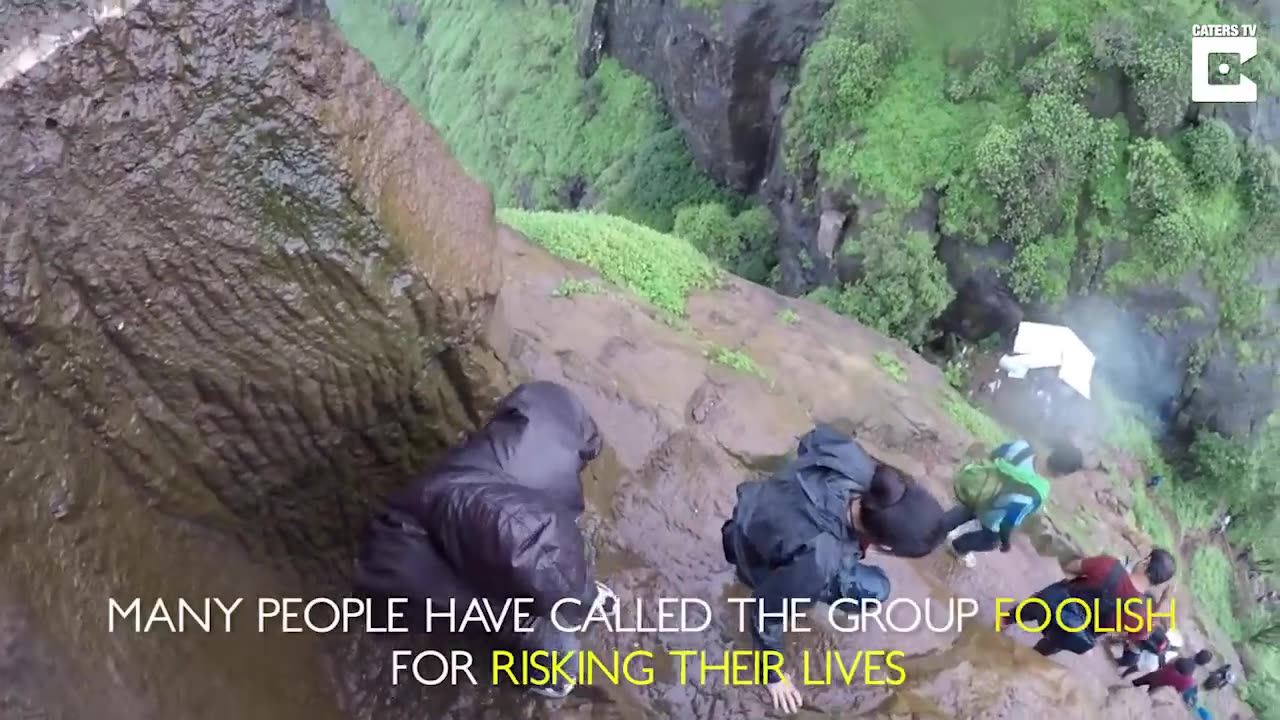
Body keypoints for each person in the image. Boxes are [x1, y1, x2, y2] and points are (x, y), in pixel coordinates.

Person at [352, 381, 615, 700]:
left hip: (479, 491)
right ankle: (544, 664)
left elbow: (543, 404)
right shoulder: (398, 560)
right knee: (539, 636)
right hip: (414, 563)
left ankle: (571, 598)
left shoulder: (546, 436)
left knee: (552, 572)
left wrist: (577, 591)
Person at [721, 424, 946, 715]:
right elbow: (765, 610)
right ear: (885, 546)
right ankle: (795, 586)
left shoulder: (852, 459)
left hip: (752, 509)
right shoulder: (820, 559)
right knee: (877, 588)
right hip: (747, 551)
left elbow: (813, 437)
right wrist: (772, 675)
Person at [940, 438, 1083, 568]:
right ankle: (958, 547)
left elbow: (994, 455)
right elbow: (1009, 521)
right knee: (991, 541)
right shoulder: (1036, 492)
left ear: (1052, 450)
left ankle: (940, 527)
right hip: (991, 514)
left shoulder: (1022, 447)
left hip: (979, 488)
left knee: (965, 510)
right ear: (1061, 474)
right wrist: (1005, 542)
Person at [1027, 549, 1176, 656]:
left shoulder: (1110, 566)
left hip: (1052, 605)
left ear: (1146, 561)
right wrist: (1163, 601)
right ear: (1158, 582)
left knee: (1023, 611)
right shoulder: (1141, 616)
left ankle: (1005, 620)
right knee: (1040, 653)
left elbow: (1071, 567)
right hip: (1073, 633)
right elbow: (1141, 636)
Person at [1134, 656, 1199, 696]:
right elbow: (1178, 691)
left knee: (1140, 681)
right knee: (1150, 691)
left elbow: (1164, 665)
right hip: (1160, 686)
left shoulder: (1173, 665)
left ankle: (1133, 685)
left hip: (1155, 676)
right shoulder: (1188, 682)